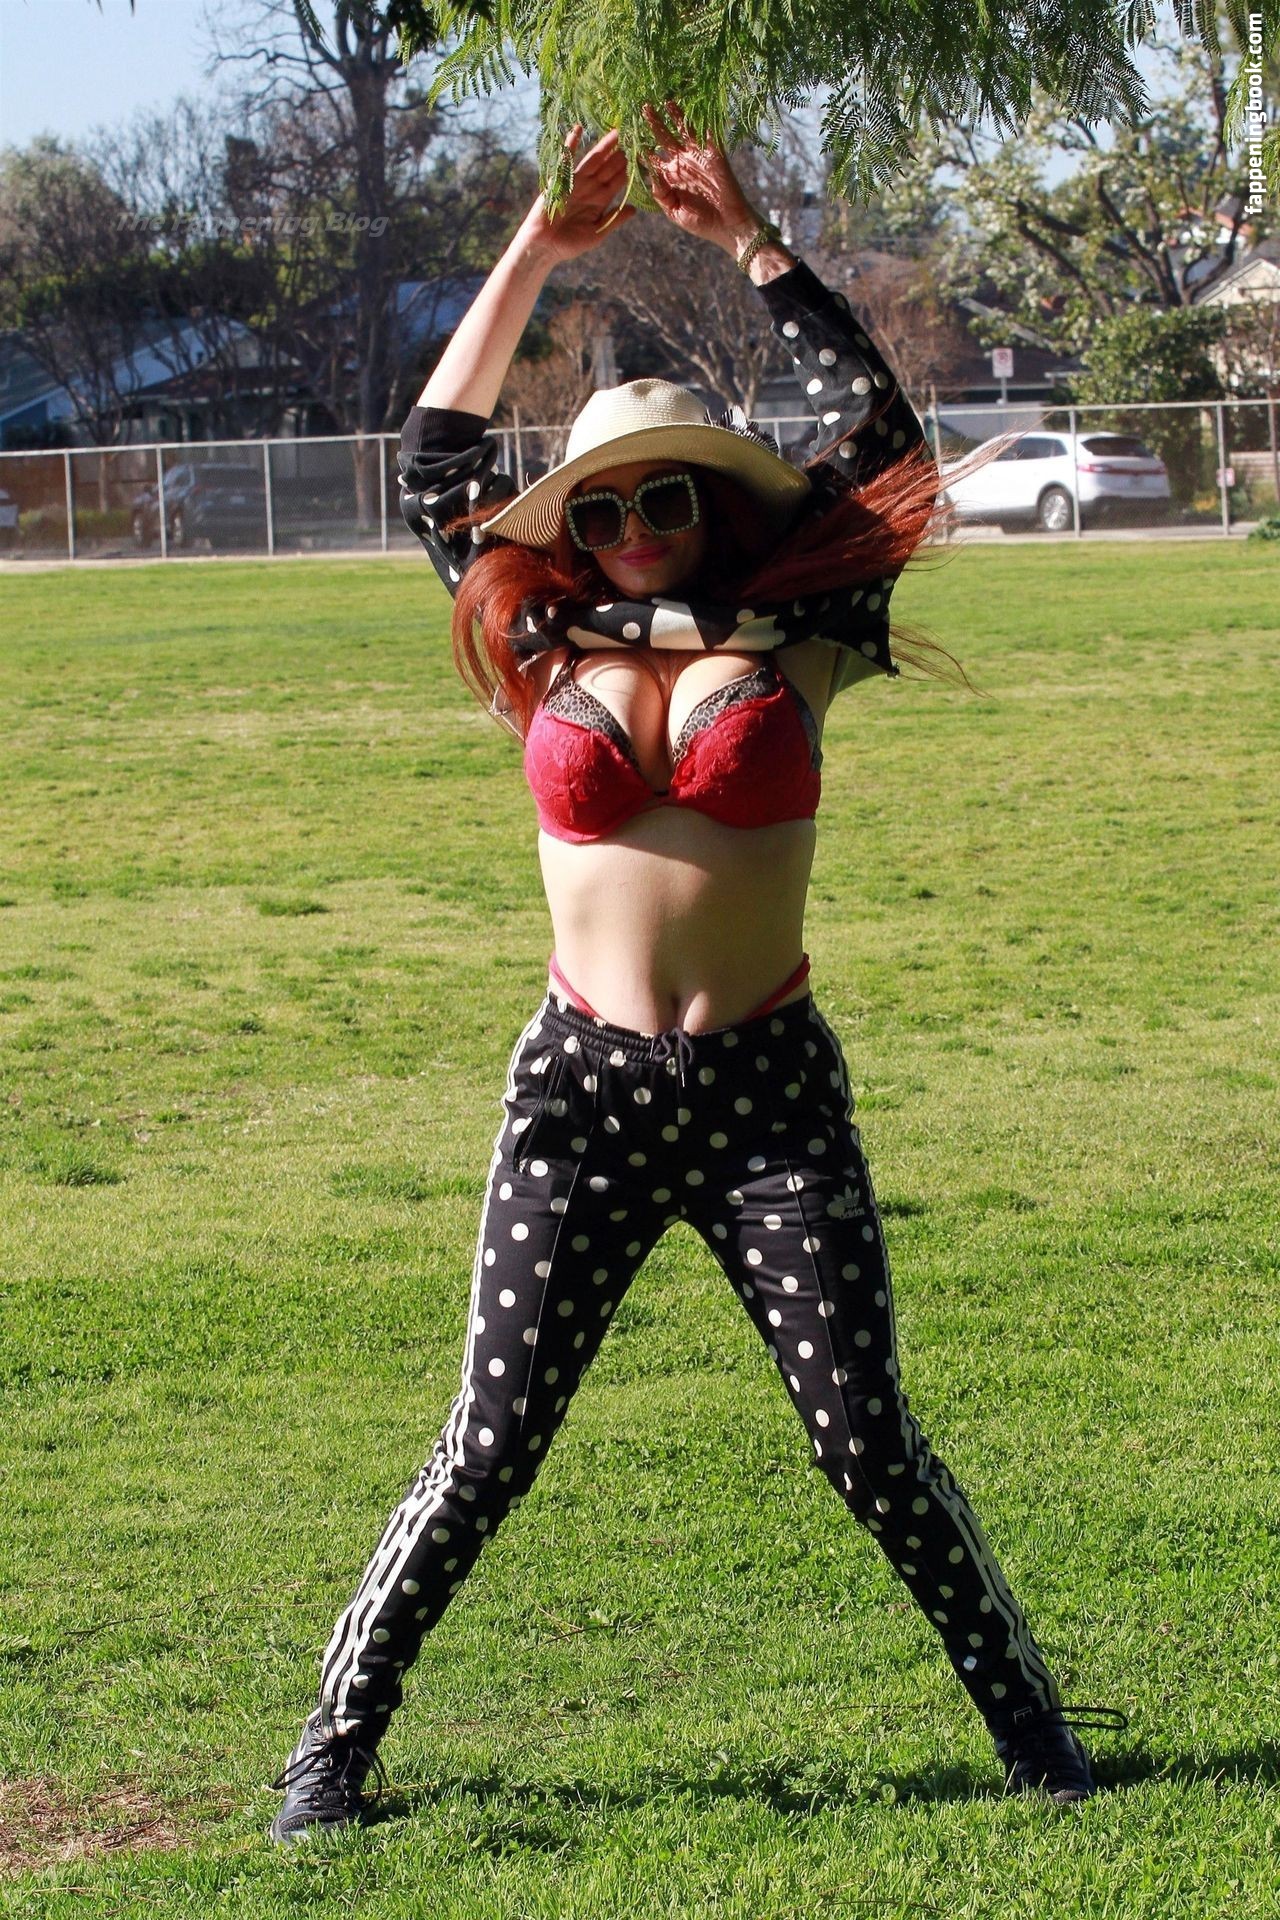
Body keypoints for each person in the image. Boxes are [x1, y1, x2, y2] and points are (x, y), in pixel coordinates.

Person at [268, 102, 1123, 1843]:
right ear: (575, 526)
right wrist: (537, 243)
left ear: (716, 504)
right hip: (579, 1093)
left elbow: (889, 446)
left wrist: (753, 244)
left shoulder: (805, 632)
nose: (639, 523)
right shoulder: (536, 633)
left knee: (865, 1441)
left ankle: (1038, 1737)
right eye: (607, 506)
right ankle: (330, 1755)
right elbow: (435, 457)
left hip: (765, 1097)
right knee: (490, 1443)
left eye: (670, 494)